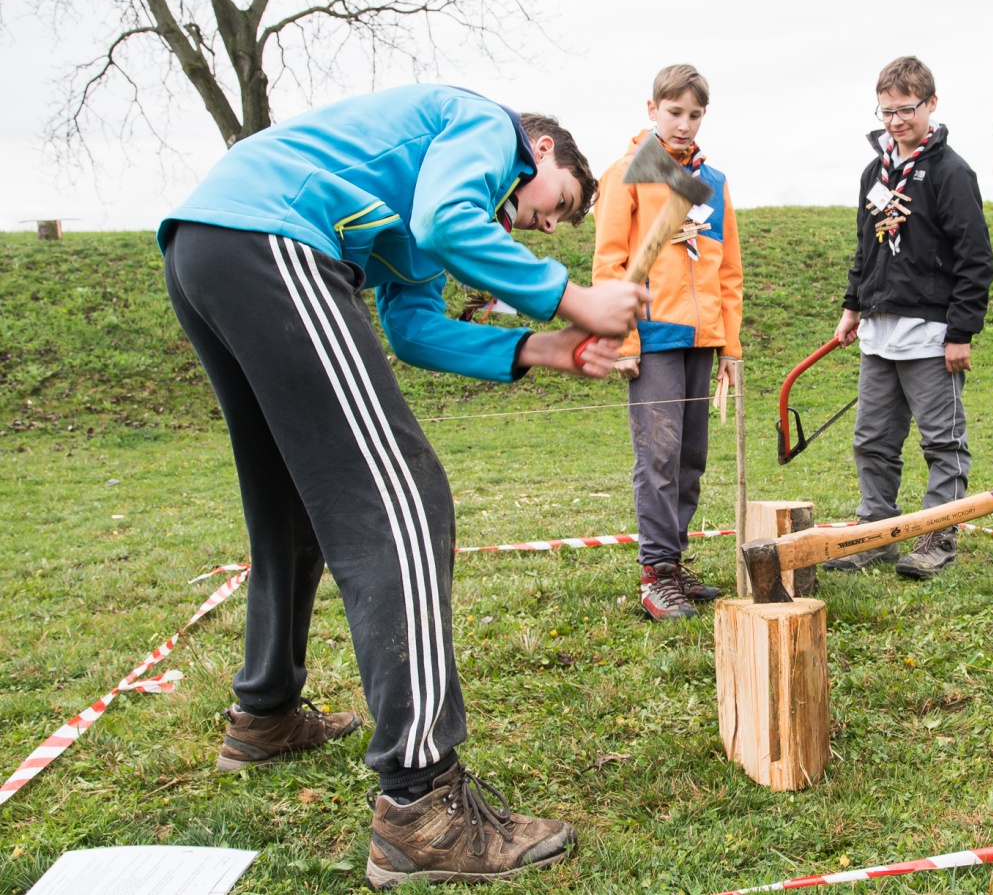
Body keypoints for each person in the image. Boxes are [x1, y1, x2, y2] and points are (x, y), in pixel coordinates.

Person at [157, 84, 648, 888]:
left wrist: (544, 347)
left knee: (292, 505)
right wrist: (573, 295)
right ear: (544, 151)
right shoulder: (490, 130)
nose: (549, 223)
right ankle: (422, 804)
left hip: (210, 244)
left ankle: (266, 711)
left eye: (560, 225)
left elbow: (414, 328)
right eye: (560, 204)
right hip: (270, 237)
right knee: (405, 503)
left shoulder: (419, 207)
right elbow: (448, 222)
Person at [826, 56, 993, 579]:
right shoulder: (872, 173)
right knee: (872, 440)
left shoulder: (950, 172)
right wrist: (853, 306)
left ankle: (937, 538)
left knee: (942, 441)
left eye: (905, 109)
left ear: (931, 105)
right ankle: (877, 534)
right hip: (878, 334)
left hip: (932, 335)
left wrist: (961, 331)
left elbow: (976, 258)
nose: (896, 121)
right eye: (886, 112)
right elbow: (865, 247)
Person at [592, 64, 743, 621]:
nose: (684, 124)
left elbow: (728, 270)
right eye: (674, 112)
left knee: (690, 457)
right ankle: (655, 574)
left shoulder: (715, 182)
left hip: (702, 339)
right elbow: (609, 263)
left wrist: (729, 347)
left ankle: (674, 563)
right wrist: (623, 337)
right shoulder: (627, 173)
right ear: (651, 108)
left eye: (694, 114)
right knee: (657, 454)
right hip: (651, 337)